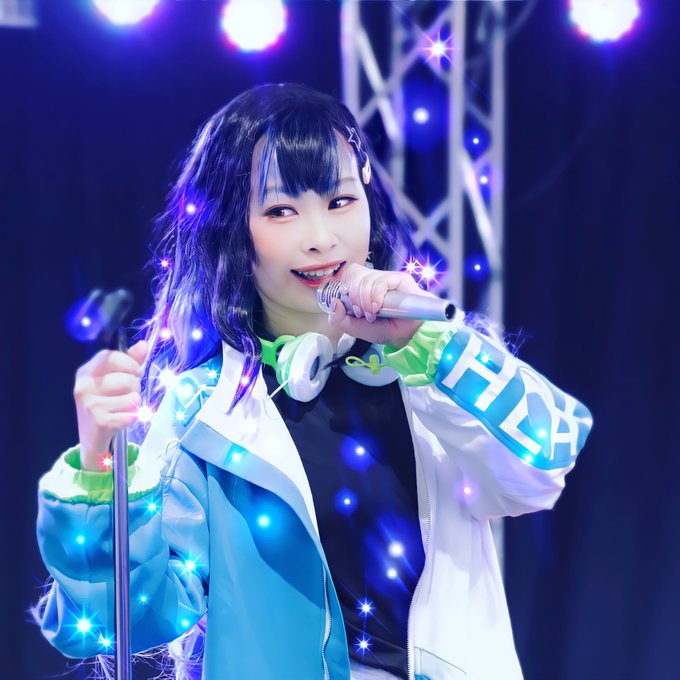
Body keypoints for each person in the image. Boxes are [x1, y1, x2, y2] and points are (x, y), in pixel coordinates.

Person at [34, 83, 592, 680]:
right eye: (281, 210)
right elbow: (126, 620)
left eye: (340, 200)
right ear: (231, 228)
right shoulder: (203, 409)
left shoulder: (428, 366)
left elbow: (541, 469)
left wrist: (432, 347)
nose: (321, 237)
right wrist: (97, 465)